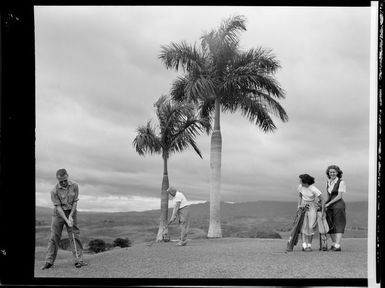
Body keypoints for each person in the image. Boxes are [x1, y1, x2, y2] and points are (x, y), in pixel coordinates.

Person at [40, 169, 87, 269]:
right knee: (54, 236)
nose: (63, 183)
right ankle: (49, 262)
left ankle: (78, 260)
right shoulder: (54, 191)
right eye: (61, 181)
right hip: (58, 214)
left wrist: (70, 216)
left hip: (71, 211)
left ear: (67, 176)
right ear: (57, 180)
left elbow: (75, 202)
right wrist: (66, 220)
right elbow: (58, 208)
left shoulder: (75, 185)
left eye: (65, 180)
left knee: (74, 234)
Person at [297, 174, 325, 251]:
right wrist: (299, 206)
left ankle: (309, 245)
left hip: (312, 206)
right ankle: (304, 245)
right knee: (303, 225)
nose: (299, 182)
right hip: (303, 206)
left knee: (311, 226)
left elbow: (322, 199)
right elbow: (300, 196)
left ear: (306, 182)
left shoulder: (313, 189)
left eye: (301, 180)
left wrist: (322, 212)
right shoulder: (300, 187)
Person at [325, 165, 346, 251]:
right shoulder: (327, 182)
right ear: (328, 173)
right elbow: (328, 195)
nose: (332, 173)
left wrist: (329, 203)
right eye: (330, 172)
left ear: (337, 173)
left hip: (338, 206)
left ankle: (337, 245)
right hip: (329, 206)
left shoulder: (341, 182)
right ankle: (334, 243)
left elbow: (339, 196)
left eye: (334, 172)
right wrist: (325, 204)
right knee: (329, 224)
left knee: (338, 224)